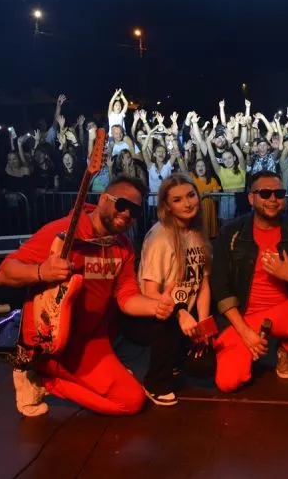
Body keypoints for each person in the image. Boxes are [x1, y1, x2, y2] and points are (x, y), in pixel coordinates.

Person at [0, 176, 174, 417]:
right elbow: (3, 273)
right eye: (122, 204)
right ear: (103, 199)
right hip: (52, 342)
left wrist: (155, 306)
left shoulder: (123, 246)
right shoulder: (63, 232)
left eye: (135, 211)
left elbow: (127, 296)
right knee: (127, 398)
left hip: (91, 341)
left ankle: (42, 382)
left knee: (131, 401)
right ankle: (40, 374)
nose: (127, 214)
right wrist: (41, 272)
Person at [210, 171, 288, 393]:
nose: (273, 199)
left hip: (284, 308)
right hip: (243, 315)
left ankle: (286, 350)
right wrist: (246, 334)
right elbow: (220, 287)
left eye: (279, 193)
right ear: (251, 198)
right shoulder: (231, 232)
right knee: (228, 382)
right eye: (265, 193)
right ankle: (249, 349)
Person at [124, 174, 211, 406]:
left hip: (184, 313)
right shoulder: (160, 237)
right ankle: (154, 383)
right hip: (156, 313)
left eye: (191, 195)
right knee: (168, 326)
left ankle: (174, 359)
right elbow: (149, 292)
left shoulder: (197, 233)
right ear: (167, 206)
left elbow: (203, 284)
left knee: (205, 365)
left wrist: (204, 325)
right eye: (178, 200)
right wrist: (180, 314)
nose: (188, 203)